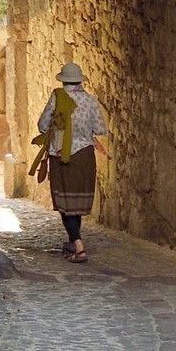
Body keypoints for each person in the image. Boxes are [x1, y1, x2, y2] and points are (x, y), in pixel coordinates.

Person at [32, 62, 108, 262]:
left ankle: (78, 246)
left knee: (66, 202)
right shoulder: (91, 101)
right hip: (84, 156)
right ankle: (74, 242)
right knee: (76, 202)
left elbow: (42, 125)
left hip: (62, 156)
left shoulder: (58, 98)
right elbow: (100, 128)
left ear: (63, 80)